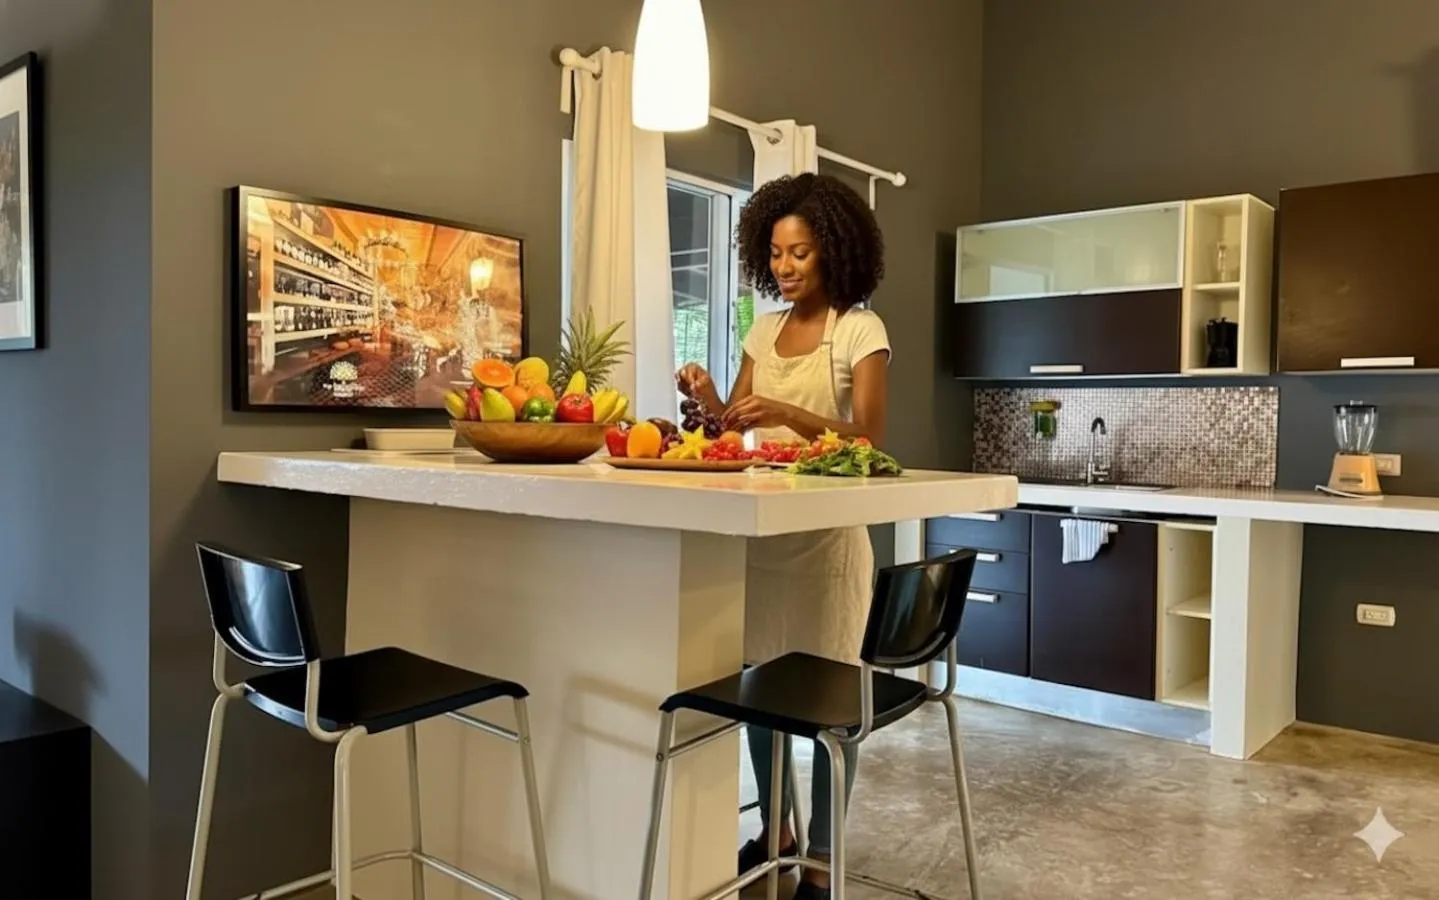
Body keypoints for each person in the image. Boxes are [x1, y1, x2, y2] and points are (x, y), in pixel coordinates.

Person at [676, 172, 889, 900]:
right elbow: (734, 426)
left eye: (800, 252)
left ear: (833, 251)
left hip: (827, 546)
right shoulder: (761, 330)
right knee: (760, 691)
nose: (786, 266)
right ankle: (777, 832)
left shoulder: (860, 329)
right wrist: (709, 399)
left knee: (830, 707)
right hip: (761, 541)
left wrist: (789, 415)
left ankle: (822, 858)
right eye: (774, 253)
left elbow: (866, 435)